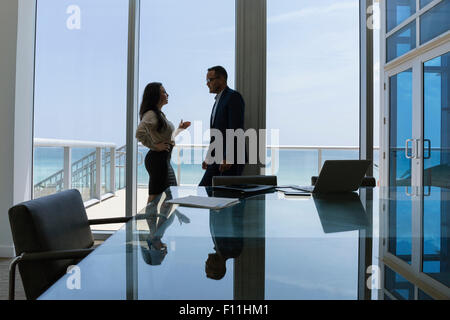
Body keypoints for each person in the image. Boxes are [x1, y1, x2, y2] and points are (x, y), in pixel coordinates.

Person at [136, 82, 191, 203]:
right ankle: (152, 220)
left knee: (170, 195)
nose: (167, 94)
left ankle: (162, 221)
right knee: (155, 197)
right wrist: (155, 146)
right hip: (157, 160)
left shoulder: (159, 115)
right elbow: (139, 133)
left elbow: (166, 138)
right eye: (163, 91)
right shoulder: (151, 114)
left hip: (163, 159)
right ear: (155, 95)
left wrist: (179, 130)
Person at [199, 66, 246, 187]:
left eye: (210, 80)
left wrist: (229, 157)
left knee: (226, 198)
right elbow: (216, 134)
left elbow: (235, 130)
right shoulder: (218, 101)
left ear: (221, 79)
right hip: (217, 158)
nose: (207, 84)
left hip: (230, 159)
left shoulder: (233, 97)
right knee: (203, 190)